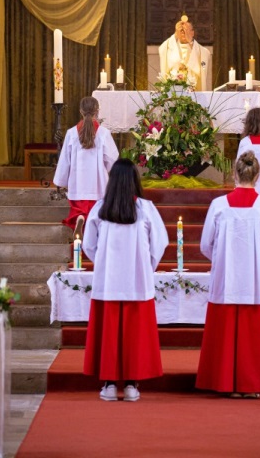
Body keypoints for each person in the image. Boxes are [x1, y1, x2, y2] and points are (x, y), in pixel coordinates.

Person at [196, 151, 260, 398]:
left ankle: (225, 382)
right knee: (253, 334)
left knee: (224, 332)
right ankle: (251, 385)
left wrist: (223, 259)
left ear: (235, 174)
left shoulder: (219, 206)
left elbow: (206, 244)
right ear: (257, 176)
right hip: (253, 279)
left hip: (225, 278)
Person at [82, 158, 169, 402]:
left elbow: (89, 246)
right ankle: (132, 384)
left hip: (108, 283)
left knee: (109, 333)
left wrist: (104, 263)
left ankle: (109, 384)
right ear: (134, 181)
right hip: (136, 283)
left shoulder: (100, 209)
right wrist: (145, 267)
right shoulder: (146, 209)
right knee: (134, 334)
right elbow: (160, 244)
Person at [53, 96, 119, 239]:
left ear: (80, 111)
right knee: (98, 212)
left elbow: (65, 159)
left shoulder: (71, 133)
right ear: (97, 111)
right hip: (98, 184)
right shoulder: (103, 133)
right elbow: (112, 158)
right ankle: (95, 236)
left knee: (80, 210)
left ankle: (80, 220)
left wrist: (61, 181)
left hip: (78, 184)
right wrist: (108, 171)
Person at [158, 16, 210, 90]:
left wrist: (191, 43)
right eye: (181, 30)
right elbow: (161, 49)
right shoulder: (170, 46)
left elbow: (206, 55)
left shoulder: (199, 50)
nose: (184, 32)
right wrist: (176, 34)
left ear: (193, 33)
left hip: (193, 88)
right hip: (173, 88)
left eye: (187, 30)